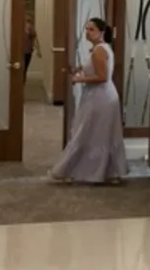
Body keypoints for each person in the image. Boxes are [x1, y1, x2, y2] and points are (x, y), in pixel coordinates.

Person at [49, 17, 127, 184]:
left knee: (88, 131)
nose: (87, 32)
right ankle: (106, 172)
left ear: (101, 32)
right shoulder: (98, 49)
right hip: (100, 96)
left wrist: (79, 80)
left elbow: (102, 77)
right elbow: (95, 69)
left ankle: (79, 170)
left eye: (91, 29)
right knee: (95, 133)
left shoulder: (99, 50)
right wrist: (79, 69)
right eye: (86, 29)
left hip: (100, 97)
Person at [23, 17, 41, 84]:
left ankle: (22, 85)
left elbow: (35, 39)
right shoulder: (16, 25)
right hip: (19, 52)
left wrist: (39, 50)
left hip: (27, 52)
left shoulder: (29, 27)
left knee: (24, 70)